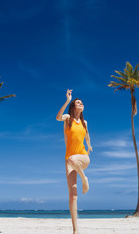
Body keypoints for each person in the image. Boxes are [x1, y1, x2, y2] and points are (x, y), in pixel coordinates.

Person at [56, 89, 93, 234]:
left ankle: (85, 180)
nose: (81, 104)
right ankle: (75, 230)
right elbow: (58, 117)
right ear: (73, 106)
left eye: (82, 103)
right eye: (78, 102)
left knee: (73, 159)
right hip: (69, 159)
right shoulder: (67, 119)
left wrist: (89, 145)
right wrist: (67, 100)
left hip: (82, 157)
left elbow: (87, 136)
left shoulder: (85, 122)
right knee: (72, 195)